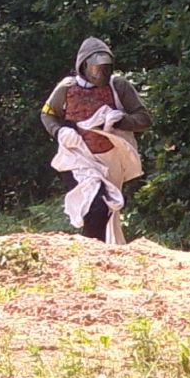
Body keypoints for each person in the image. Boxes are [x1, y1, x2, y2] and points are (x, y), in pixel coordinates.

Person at [41, 37, 152, 243]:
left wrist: (120, 121)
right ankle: (91, 252)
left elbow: (144, 119)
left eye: (105, 68)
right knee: (96, 205)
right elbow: (47, 114)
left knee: (108, 209)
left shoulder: (118, 86)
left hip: (110, 159)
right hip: (77, 156)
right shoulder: (66, 88)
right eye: (96, 68)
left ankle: (102, 252)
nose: (100, 73)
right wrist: (59, 131)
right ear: (84, 66)